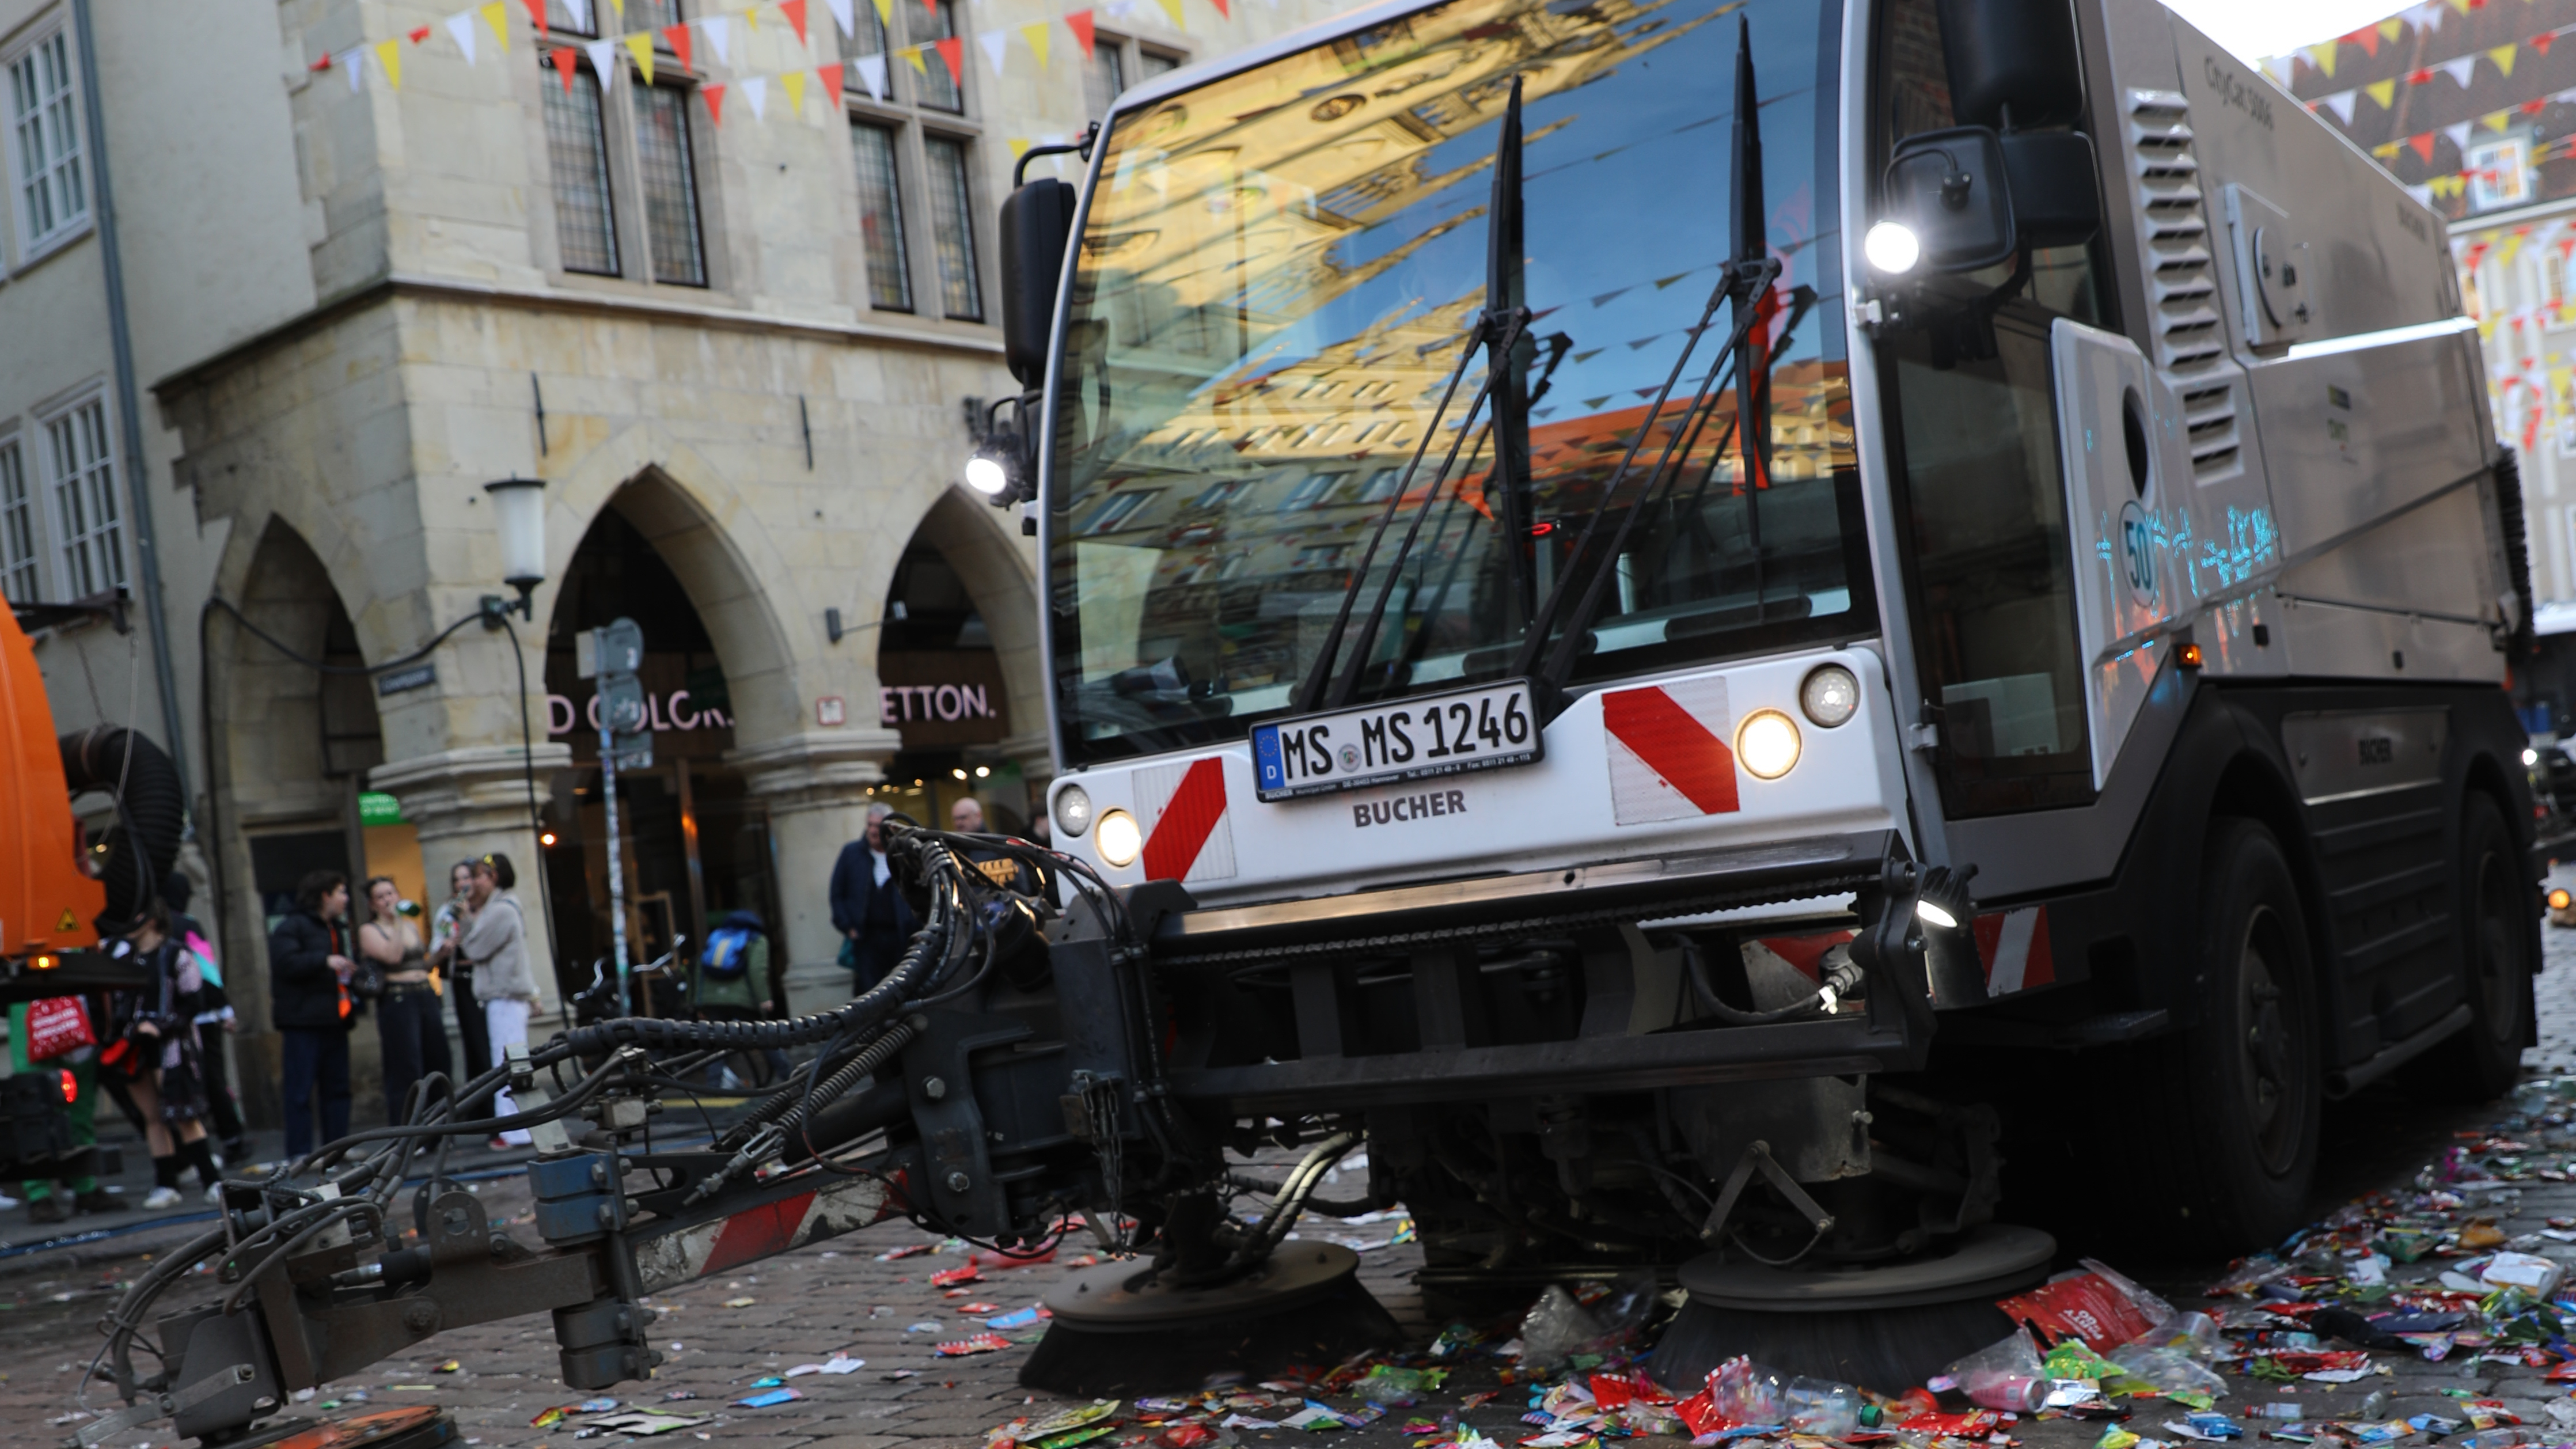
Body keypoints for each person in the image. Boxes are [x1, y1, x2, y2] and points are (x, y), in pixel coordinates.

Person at [100, 905, 225, 1208]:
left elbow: (194, 1001)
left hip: (173, 1047)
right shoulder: (126, 959)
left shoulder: (177, 954)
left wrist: (160, 1025)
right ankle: (166, 1184)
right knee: (153, 1118)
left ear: (153, 920)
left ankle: (212, 1180)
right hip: (136, 1048)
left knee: (184, 1114)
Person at [163, 871, 251, 1167]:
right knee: (213, 1077)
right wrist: (223, 1007)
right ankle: (232, 1138)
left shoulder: (157, 927)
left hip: (171, 1018)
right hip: (203, 1014)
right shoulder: (187, 924)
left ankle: (189, 1149)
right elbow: (207, 968)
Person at [269, 870, 358, 1162]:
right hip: (302, 1022)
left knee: (338, 1089)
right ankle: (300, 1152)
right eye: (341, 892)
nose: (346, 899)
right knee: (299, 1091)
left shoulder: (335, 929)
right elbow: (285, 964)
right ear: (325, 895)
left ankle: (337, 1149)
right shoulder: (291, 927)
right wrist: (324, 961)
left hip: (333, 1019)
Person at [457, 853, 538, 1150]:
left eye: (478, 876)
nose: (473, 882)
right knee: (511, 1062)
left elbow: (476, 949)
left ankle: (514, 1130)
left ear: (494, 878)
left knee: (506, 1063)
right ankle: (518, 1128)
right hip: (506, 996)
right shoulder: (503, 907)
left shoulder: (502, 910)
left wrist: (465, 920)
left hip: (504, 996)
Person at [361, 876, 453, 1127]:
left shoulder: (410, 926)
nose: (388, 900)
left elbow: (420, 965)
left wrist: (441, 954)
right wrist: (398, 922)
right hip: (398, 999)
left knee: (438, 1059)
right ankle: (410, 1129)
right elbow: (393, 957)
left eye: (391, 893)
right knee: (407, 1066)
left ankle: (440, 1127)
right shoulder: (370, 931)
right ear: (372, 904)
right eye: (381, 897)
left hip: (424, 992)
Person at [11, 990, 111, 1223]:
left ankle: (85, 1187)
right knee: (34, 1108)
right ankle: (40, 1196)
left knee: (79, 1108)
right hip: (31, 1007)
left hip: (73, 1008)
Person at [694, 909, 791, 1087]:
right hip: (742, 1000)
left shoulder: (716, 937)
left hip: (713, 999)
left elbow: (700, 970)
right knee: (765, 1037)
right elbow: (757, 971)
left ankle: (713, 1085)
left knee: (716, 1042)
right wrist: (764, 998)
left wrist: (699, 1002)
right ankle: (789, 1077)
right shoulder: (756, 940)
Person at [829, 803, 915, 994]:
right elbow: (837, 893)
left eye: (878, 826)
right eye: (870, 825)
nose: (873, 831)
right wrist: (848, 926)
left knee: (902, 989)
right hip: (866, 937)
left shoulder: (903, 854)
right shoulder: (852, 854)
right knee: (870, 993)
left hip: (900, 937)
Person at [424, 860, 487, 1118]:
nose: (463, 884)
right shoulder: (447, 913)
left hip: (485, 978)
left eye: (467, 878)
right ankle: (480, 1109)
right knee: (473, 1042)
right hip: (462, 979)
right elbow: (436, 950)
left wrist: (469, 918)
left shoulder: (486, 909)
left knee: (488, 1043)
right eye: (457, 880)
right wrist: (444, 947)